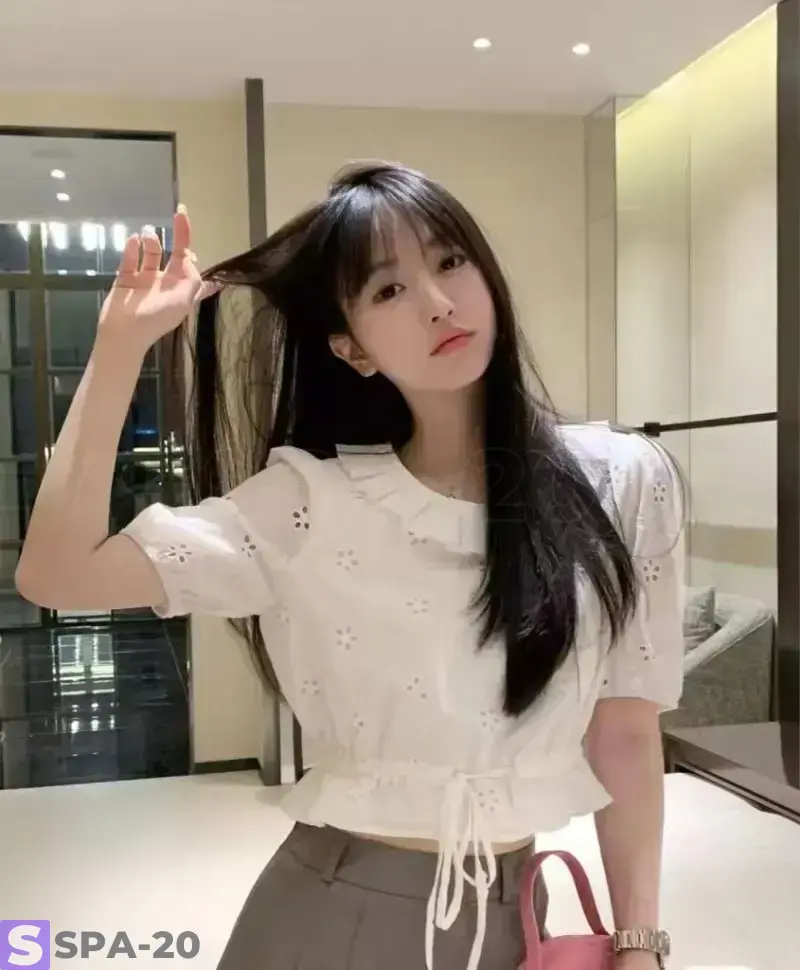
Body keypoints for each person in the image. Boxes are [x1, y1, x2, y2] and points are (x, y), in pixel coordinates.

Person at [17, 162, 683, 970]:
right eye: (388, 289)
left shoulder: (621, 479)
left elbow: (626, 731)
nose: (437, 302)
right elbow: (58, 577)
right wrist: (119, 349)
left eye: (450, 262)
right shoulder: (311, 503)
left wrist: (640, 940)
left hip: (524, 917)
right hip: (340, 916)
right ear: (351, 347)